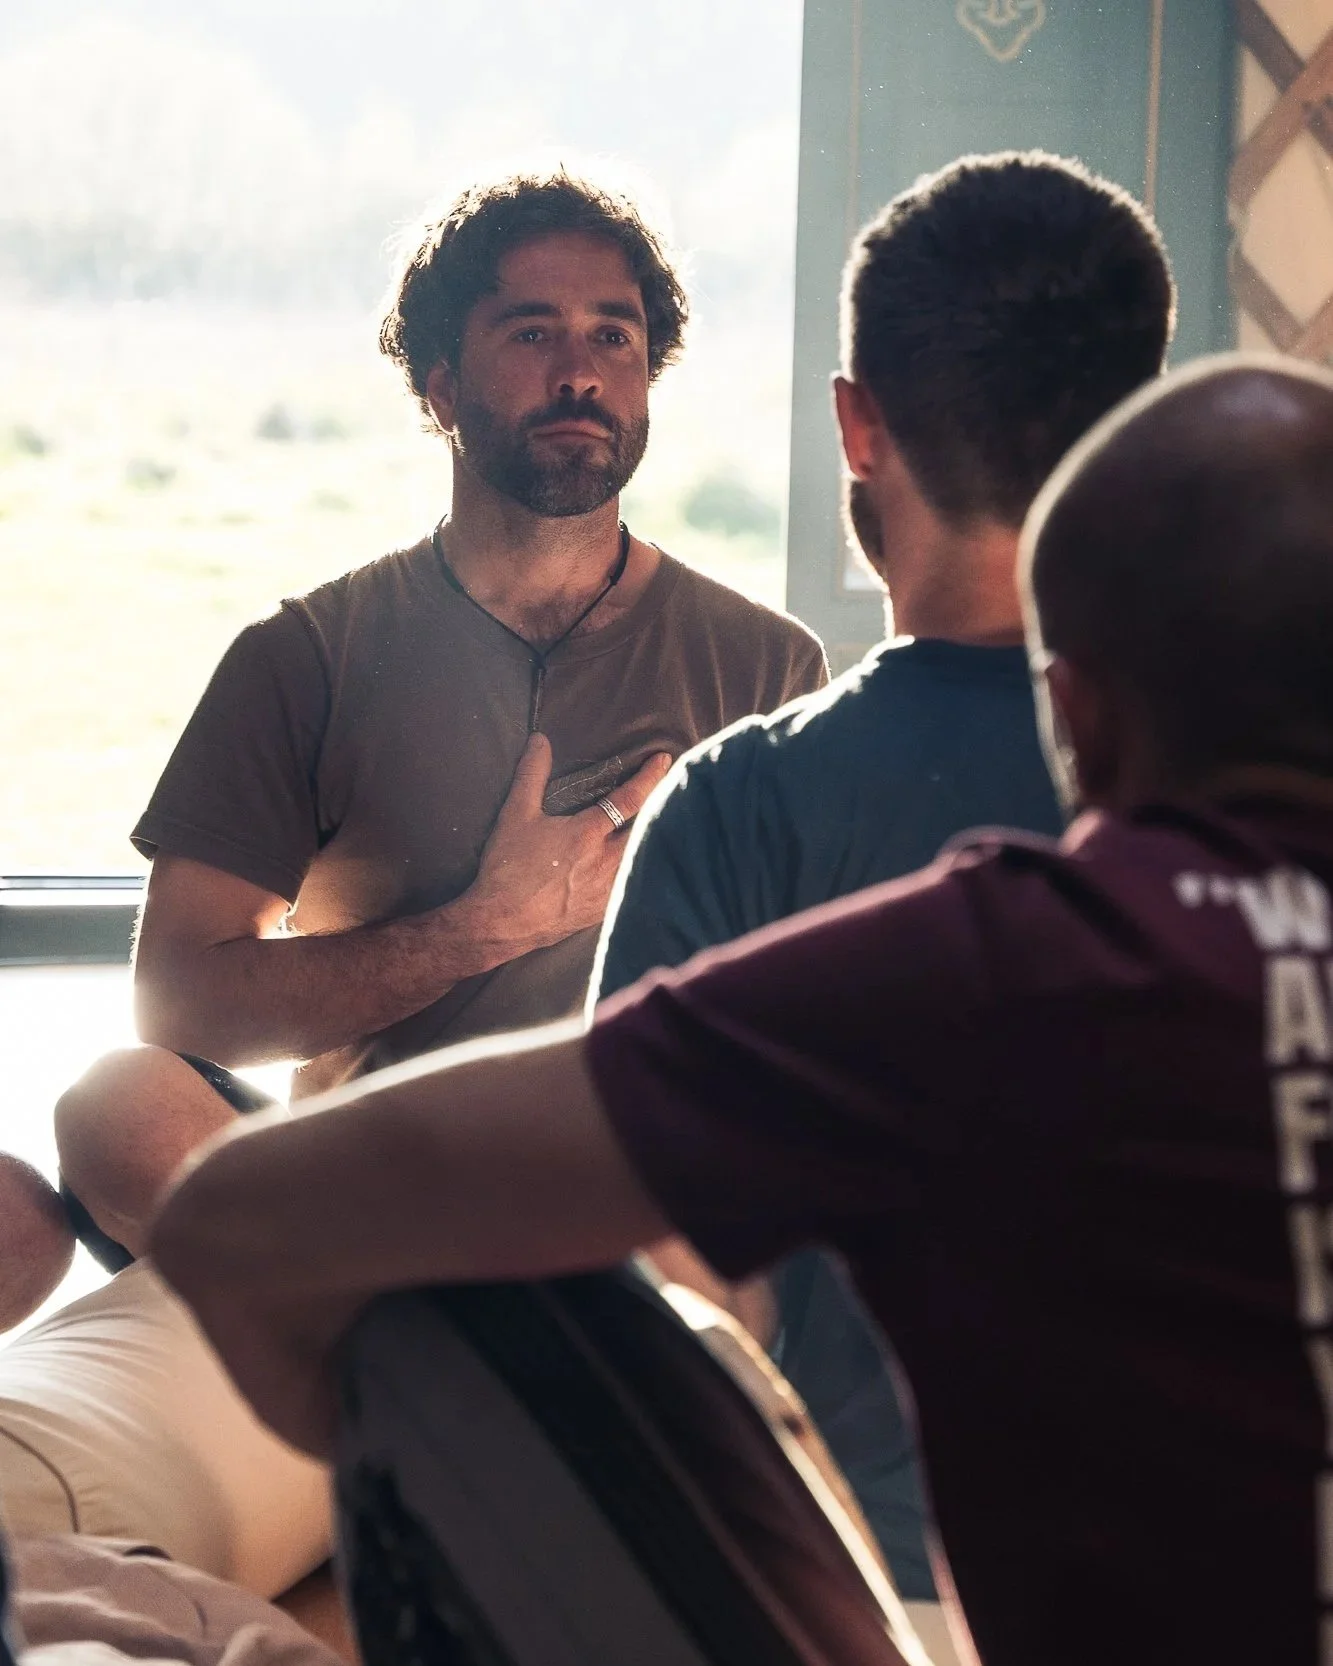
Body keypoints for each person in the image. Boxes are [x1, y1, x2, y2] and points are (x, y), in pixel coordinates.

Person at [151, 356, 1333, 1665]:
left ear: (1075, 716)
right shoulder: (326, 652)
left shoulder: (980, 968)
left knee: (468, 1310)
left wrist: (419, 1441)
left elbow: (233, 1217)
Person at [592, 149, 1175, 1601]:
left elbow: (670, 1301)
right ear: (1148, 427)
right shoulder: (1274, 768)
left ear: (859, 425)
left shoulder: (737, 810)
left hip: (883, 1596)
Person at [55, 168, 826, 1265]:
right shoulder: (304, 659)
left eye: (614, 339)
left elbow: (812, 1019)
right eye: (530, 334)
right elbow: (177, 1005)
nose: (579, 374)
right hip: (372, 1192)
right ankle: (418, 1322)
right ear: (441, 388)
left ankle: (432, 1333)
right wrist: (482, 928)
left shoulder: (766, 664)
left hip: (632, 1205)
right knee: (114, 1107)